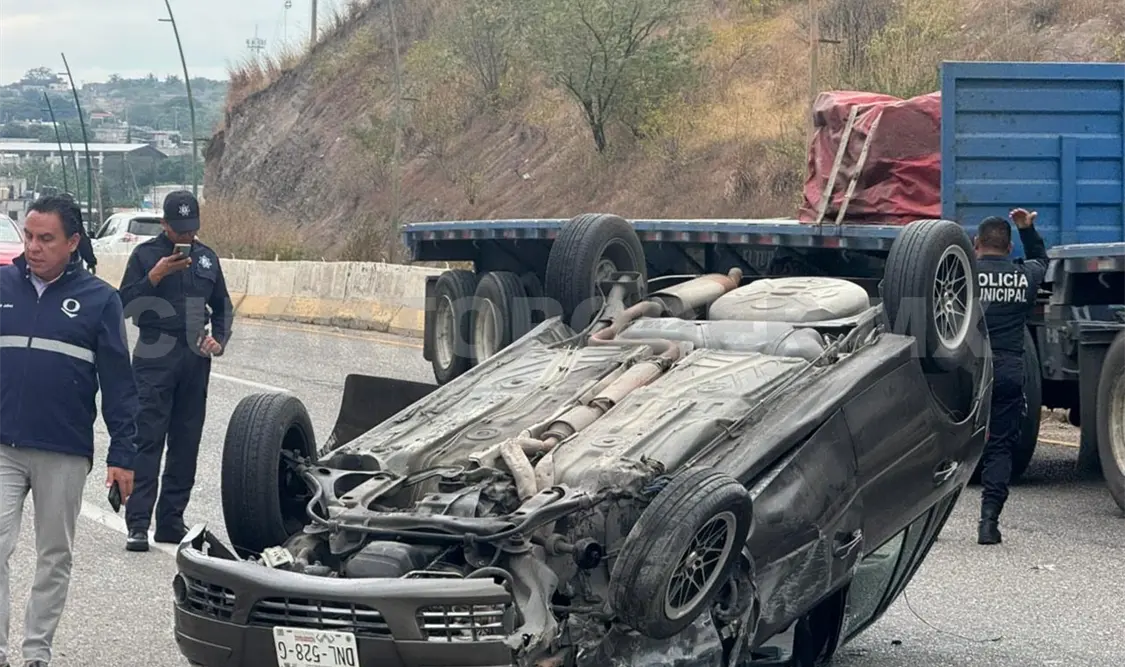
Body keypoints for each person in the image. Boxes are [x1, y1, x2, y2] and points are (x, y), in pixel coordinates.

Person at [0, 195, 138, 667]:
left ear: (72, 242)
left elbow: (121, 384)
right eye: (29, 237)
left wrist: (124, 454)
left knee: (54, 554)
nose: (33, 248)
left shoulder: (101, 301)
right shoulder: (2, 285)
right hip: (3, 446)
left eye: (46, 239)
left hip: (63, 449)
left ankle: (36, 652)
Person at [117, 190, 233, 553]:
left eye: (191, 229)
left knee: (186, 442)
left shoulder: (207, 259)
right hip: (155, 354)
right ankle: (138, 523)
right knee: (147, 439)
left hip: (195, 356)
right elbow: (123, 305)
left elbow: (223, 306)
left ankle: (170, 521)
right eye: (178, 228)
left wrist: (219, 339)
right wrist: (154, 276)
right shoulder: (145, 256)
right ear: (164, 224)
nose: (185, 236)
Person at [974, 208, 1048, 545]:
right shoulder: (1024, 275)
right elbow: (1041, 260)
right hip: (1008, 369)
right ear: (1008, 249)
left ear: (977, 244)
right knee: (1000, 446)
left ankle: (929, 520)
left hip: (968, 370)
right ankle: (989, 522)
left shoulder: (963, 274)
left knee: (947, 445)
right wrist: (1027, 230)